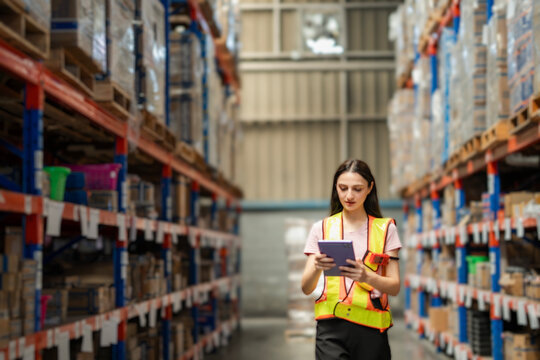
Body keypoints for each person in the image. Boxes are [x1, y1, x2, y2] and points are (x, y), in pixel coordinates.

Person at [301, 159, 401, 360]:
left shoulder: (385, 229)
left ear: (370, 188)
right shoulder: (321, 229)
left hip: (371, 331)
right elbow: (306, 287)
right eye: (343, 188)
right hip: (331, 329)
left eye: (357, 189)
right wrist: (316, 268)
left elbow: (394, 287)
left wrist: (367, 277)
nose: (349, 195)